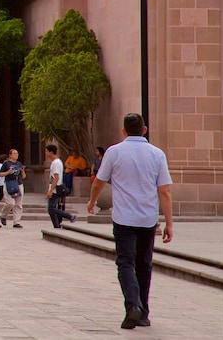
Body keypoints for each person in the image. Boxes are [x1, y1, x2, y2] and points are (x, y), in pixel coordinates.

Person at [87, 113, 173, 330]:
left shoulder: (114, 152)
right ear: (144, 130)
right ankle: (143, 312)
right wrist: (169, 222)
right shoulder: (157, 154)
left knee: (125, 263)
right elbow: (164, 190)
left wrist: (92, 200)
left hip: (124, 218)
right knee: (144, 265)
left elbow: (99, 181)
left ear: (123, 131)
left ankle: (132, 305)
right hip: (148, 218)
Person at [45, 145, 77, 228]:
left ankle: (69, 216)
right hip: (54, 188)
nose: (46, 153)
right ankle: (56, 225)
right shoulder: (56, 162)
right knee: (51, 209)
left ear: (51, 152)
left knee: (51, 208)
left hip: (56, 188)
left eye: (46, 151)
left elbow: (56, 177)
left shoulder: (56, 163)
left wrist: (51, 190)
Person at [0, 148, 27, 228]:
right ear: (10, 155)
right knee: (10, 203)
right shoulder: (6, 163)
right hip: (9, 183)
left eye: (17, 153)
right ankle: (3, 215)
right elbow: (0, 174)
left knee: (18, 204)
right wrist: (8, 172)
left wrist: (22, 171)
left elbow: (24, 177)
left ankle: (16, 221)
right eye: (14, 153)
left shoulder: (19, 163)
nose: (16, 155)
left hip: (18, 183)